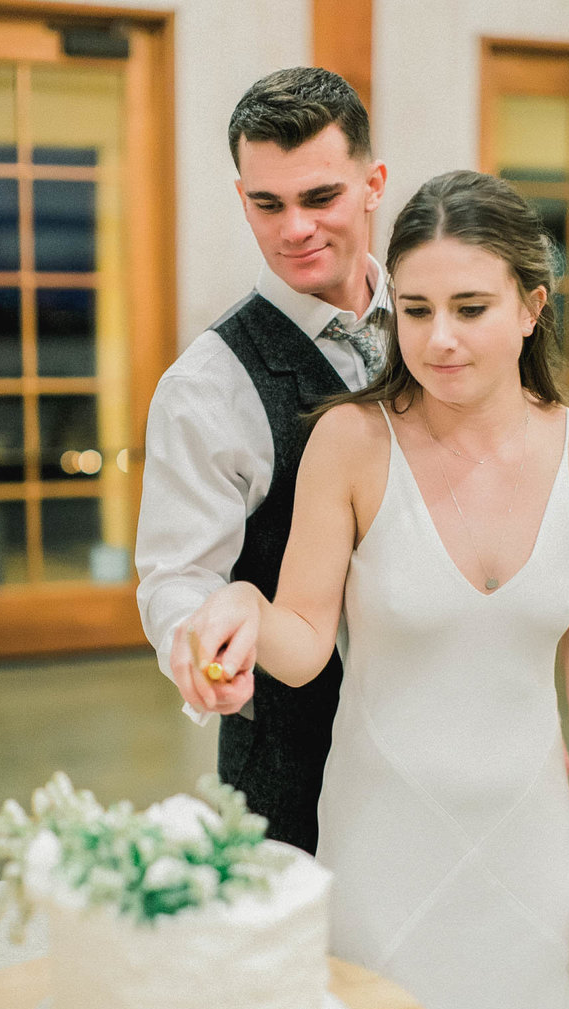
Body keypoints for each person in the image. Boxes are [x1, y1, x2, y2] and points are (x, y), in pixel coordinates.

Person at [186, 170, 569, 1009]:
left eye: (470, 308)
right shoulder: (350, 442)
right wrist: (239, 606)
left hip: (529, 851)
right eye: (416, 309)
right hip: (382, 848)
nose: (438, 339)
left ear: (530, 307)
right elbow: (302, 644)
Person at [135, 68, 387, 854]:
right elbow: (178, 576)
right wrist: (206, 646)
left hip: (440, 740)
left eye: (320, 197)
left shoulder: (438, 328)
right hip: (290, 756)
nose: (295, 229)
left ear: (373, 184)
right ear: (242, 197)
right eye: (268, 204)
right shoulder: (205, 387)